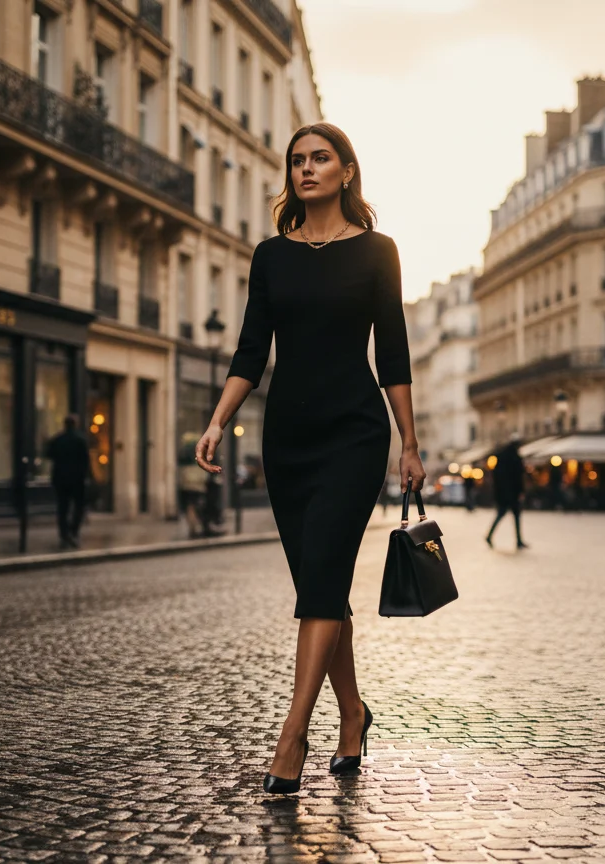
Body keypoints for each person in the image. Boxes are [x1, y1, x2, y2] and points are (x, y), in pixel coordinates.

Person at [194, 123, 422, 795]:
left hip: (354, 434)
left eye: (321, 158)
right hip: (287, 437)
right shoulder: (271, 256)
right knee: (322, 584)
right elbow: (249, 350)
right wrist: (217, 420)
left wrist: (409, 442)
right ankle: (353, 713)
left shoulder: (379, 252)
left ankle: (292, 735)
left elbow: (396, 354)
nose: (307, 168)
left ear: (347, 171)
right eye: (297, 160)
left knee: (320, 583)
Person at [46, 415, 92, 548]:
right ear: (76, 424)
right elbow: (86, 461)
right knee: (79, 507)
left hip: (60, 479)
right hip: (77, 480)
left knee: (62, 508)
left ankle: (64, 534)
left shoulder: (58, 439)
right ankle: (73, 531)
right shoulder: (81, 440)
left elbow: (48, 454)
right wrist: (87, 477)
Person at [486, 434, 526, 549]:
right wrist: (520, 491)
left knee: (502, 515)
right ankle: (518, 540)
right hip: (512, 493)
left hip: (503, 493)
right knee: (514, 516)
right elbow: (518, 477)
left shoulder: (501, 457)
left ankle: (490, 536)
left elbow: (496, 476)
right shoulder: (515, 458)